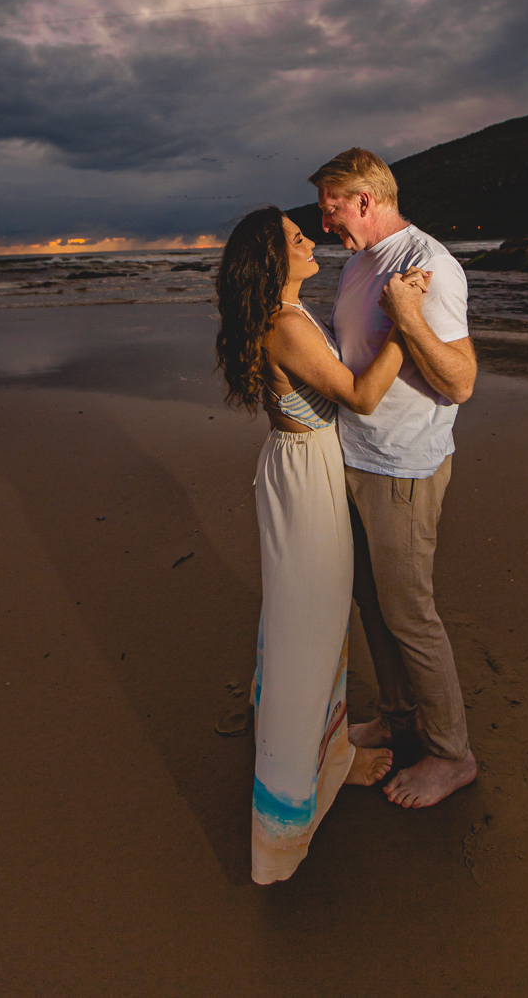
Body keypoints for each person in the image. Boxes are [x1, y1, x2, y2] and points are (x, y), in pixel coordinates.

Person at [215, 205, 428, 884]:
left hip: (300, 465)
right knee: (308, 630)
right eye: (294, 238)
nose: (310, 240)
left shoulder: (287, 314)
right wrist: (406, 322)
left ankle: (331, 751)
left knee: (311, 623)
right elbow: (361, 397)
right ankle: (287, 804)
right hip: (306, 477)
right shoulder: (286, 325)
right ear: (270, 260)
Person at [309, 147, 478, 809]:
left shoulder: (429, 265)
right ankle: (399, 719)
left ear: (366, 200)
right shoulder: (359, 262)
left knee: (409, 614)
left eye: (332, 209)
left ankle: (452, 754)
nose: (325, 222)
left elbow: (460, 381)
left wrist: (407, 316)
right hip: (355, 454)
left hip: (402, 464)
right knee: (371, 602)